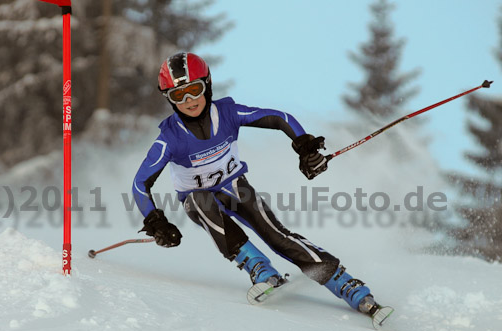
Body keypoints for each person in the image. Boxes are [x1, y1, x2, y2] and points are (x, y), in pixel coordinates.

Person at [132, 52, 382, 316]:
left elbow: (279, 118)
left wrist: (304, 146)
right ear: (169, 99)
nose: (189, 100)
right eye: (178, 95)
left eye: (194, 89)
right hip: (199, 199)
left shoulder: (227, 113)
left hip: (235, 188)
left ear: (208, 84)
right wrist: (156, 221)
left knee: (276, 235)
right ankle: (257, 265)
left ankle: (343, 283)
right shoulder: (170, 138)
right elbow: (140, 183)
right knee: (200, 201)